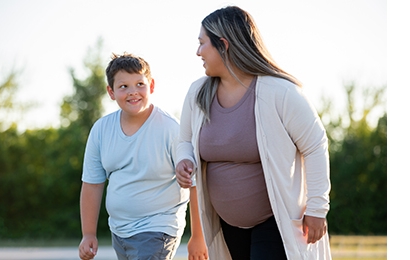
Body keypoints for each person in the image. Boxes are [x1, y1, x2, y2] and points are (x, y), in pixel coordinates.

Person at [173, 6, 333, 260]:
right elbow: (184, 140)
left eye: (202, 43)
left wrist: (317, 208)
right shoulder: (197, 93)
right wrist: (185, 160)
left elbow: (315, 145)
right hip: (226, 225)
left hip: (274, 222)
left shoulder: (280, 93)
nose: (198, 52)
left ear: (223, 45)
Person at [78, 53, 189, 260]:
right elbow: (92, 184)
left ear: (152, 86)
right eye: (123, 87)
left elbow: (194, 183)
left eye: (140, 84)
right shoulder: (101, 129)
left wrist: (198, 237)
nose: (133, 92)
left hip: (159, 227)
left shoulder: (170, 128)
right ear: (111, 92)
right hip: (120, 230)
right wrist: (88, 234)